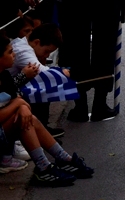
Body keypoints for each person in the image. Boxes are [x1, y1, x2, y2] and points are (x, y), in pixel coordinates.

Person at [0, 33, 93, 185]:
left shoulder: (4, 76)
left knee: (28, 117)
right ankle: (45, 167)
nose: (14, 54)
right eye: (9, 52)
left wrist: (21, 106)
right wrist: (19, 105)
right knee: (22, 119)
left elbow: (17, 98)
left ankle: (63, 159)